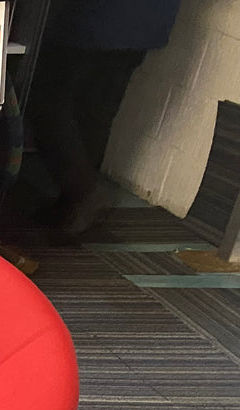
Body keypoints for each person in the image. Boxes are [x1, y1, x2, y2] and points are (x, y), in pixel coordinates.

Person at [26, 0, 184, 236]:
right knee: (96, 109)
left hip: (94, 17)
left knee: (43, 96)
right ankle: (75, 202)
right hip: (148, 19)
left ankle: (83, 193)